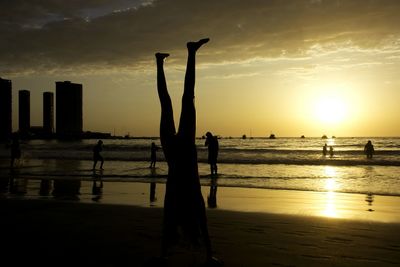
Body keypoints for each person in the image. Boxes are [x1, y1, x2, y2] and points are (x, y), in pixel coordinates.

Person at [154, 38, 222, 266]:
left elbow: (199, 222)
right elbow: (197, 223)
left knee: (184, 99)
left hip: (179, 152)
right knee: (172, 103)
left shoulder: (188, 199)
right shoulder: (184, 201)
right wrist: (209, 254)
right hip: (174, 153)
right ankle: (162, 62)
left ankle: (185, 55)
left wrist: (209, 254)